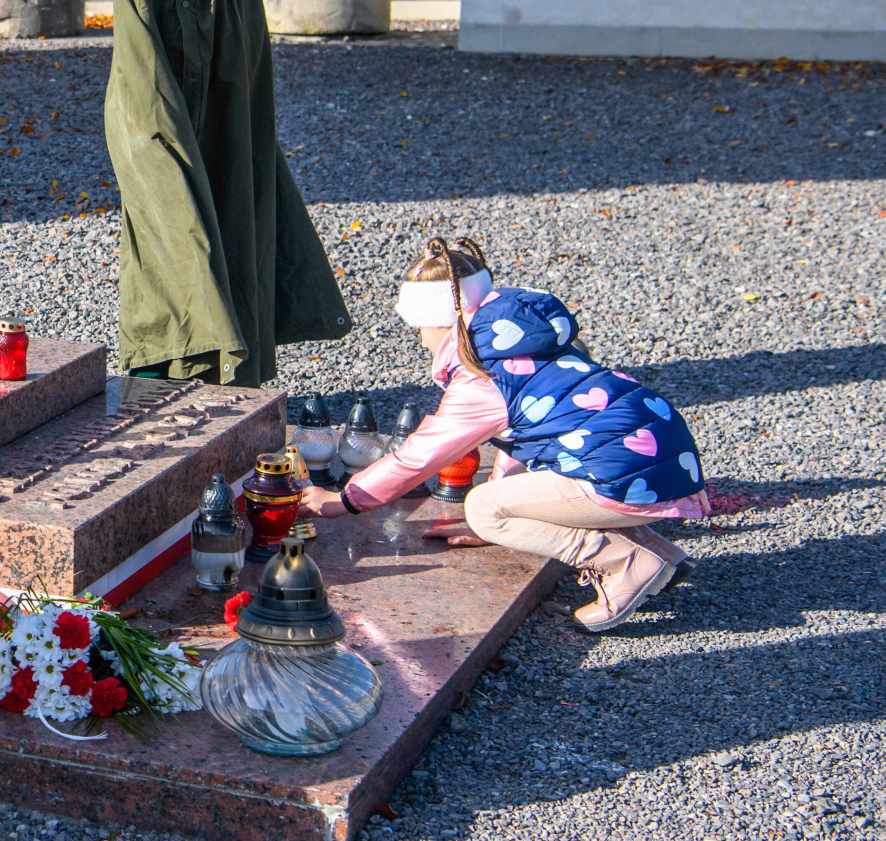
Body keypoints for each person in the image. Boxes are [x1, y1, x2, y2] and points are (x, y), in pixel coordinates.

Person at [299, 238, 707, 631]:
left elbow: (420, 455)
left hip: (624, 471)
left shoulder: (482, 378)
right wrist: (510, 508)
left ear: (439, 320)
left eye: (418, 327)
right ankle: (660, 553)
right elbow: (521, 440)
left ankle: (625, 563)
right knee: (498, 508)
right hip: (661, 459)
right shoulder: (521, 343)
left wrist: (343, 500)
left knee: (483, 508)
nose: (420, 339)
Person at [91, 0, 351, 386]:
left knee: (241, 228)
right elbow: (141, 42)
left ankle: (239, 381)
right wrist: (161, 134)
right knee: (183, 242)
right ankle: (181, 384)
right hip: (174, 114)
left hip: (231, 112)